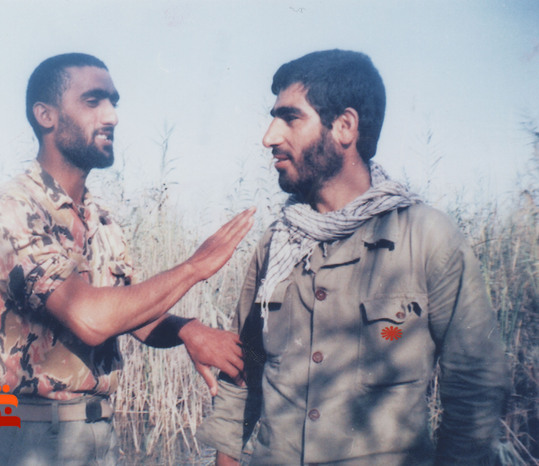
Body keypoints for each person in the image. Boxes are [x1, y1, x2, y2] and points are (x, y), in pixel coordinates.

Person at [197, 49, 509, 465]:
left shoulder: (426, 237)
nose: (269, 137)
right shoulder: (276, 245)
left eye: (290, 118)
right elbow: (246, 365)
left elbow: (475, 386)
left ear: (345, 126)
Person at [0, 52, 254, 465]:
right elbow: (91, 319)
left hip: (95, 437)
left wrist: (188, 330)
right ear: (46, 115)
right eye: (93, 101)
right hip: (22, 440)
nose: (112, 116)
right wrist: (194, 268)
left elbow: (129, 313)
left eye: (114, 103)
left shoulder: (101, 219)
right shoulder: (8, 211)